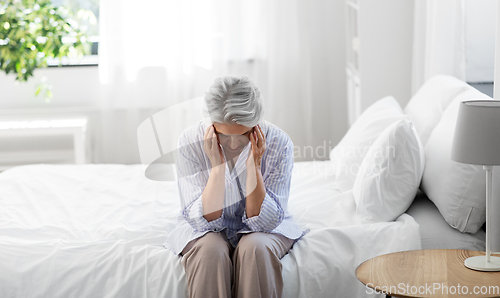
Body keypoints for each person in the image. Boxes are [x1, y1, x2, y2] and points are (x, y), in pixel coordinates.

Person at [164, 76, 306, 298]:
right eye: (223, 135)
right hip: (207, 229)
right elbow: (204, 221)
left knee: (255, 248)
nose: (232, 143)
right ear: (210, 123)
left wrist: (254, 168)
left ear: (256, 122)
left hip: (263, 231)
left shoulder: (279, 142)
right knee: (210, 251)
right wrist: (217, 168)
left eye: (243, 134)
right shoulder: (189, 141)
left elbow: (265, 222)